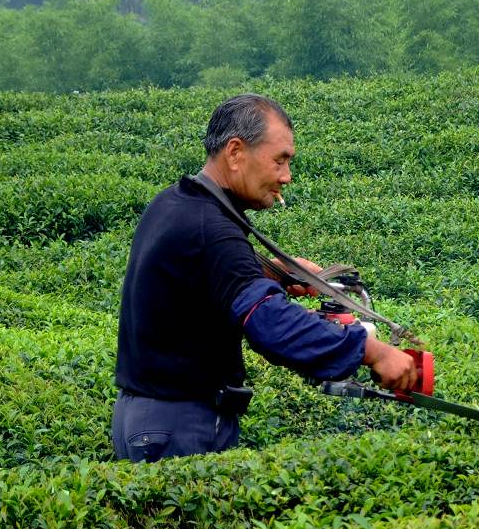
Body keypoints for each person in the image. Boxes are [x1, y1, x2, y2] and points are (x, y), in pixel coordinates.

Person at [112, 93, 417, 461]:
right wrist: (371, 351)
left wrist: (274, 272)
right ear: (236, 152)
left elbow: (195, 282)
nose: (286, 176)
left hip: (143, 417)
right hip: (180, 426)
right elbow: (269, 324)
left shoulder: (174, 202)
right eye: (280, 160)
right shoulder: (214, 230)